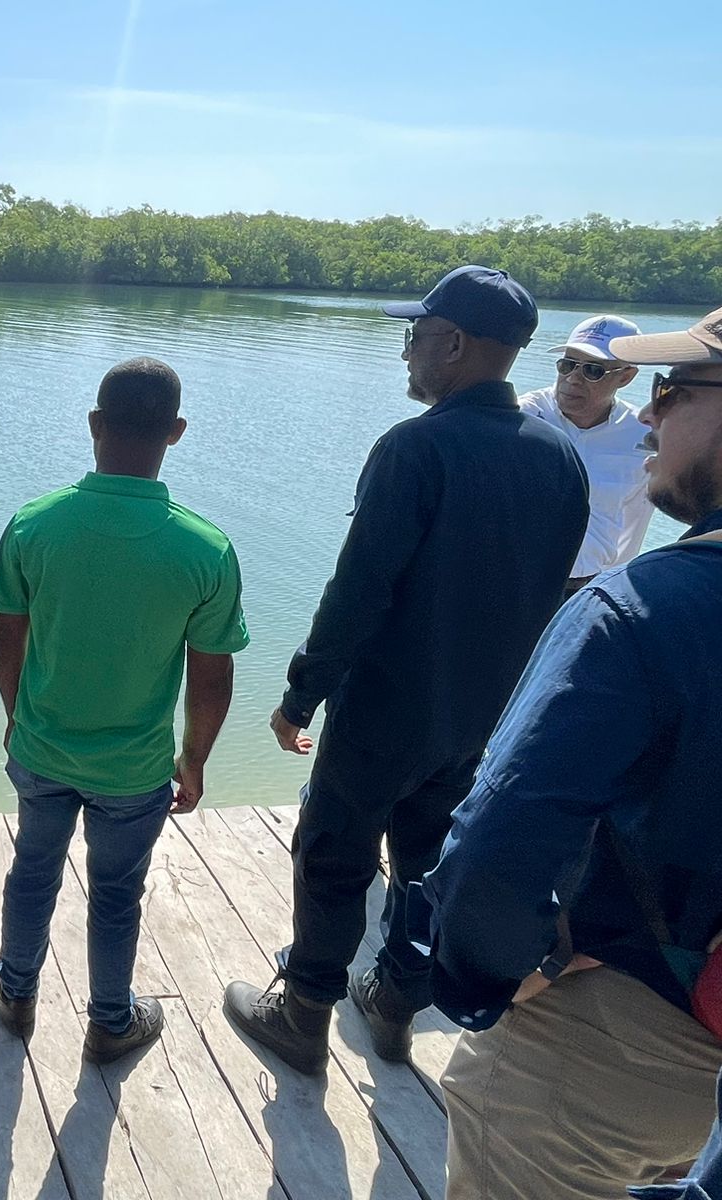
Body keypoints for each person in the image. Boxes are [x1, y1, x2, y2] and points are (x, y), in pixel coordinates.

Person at [222, 265, 590, 1074]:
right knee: (429, 858)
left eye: (416, 336)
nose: (406, 353)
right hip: (481, 719)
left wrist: (300, 695)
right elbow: (549, 597)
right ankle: (395, 1002)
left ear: (454, 344)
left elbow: (358, 592)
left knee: (334, 854)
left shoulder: (415, 450)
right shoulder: (561, 460)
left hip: (386, 711)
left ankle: (305, 1014)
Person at [424, 308, 722, 1199]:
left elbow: (499, 834)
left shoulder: (648, 609)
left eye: (671, 391)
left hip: (610, 1051)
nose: (648, 418)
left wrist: (493, 979)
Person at [0, 357, 248, 1063]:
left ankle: (15, 993)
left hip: (40, 750)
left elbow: (10, 635)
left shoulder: (35, 524)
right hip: (133, 770)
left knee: (31, 870)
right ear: (178, 433)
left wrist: (16, 717)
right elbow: (211, 676)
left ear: (95, 425)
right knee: (117, 894)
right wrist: (193, 762)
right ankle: (109, 1020)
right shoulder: (205, 548)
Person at [518, 314, 654, 598]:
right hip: (515, 583)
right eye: (567, 365)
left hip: (590, 591)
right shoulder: (521, 418)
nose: (572, 379)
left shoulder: (642, 436)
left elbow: (635, 525)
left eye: (592, 370)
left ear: (626, 376)